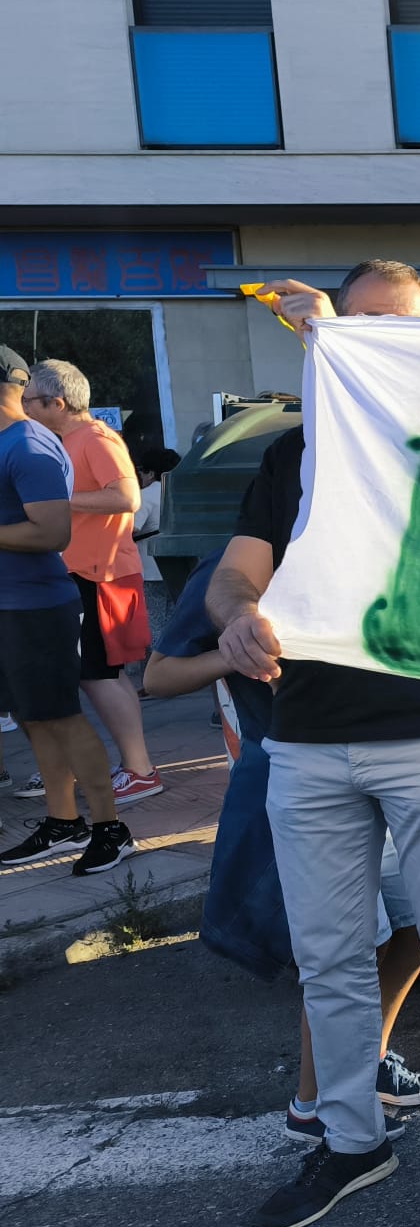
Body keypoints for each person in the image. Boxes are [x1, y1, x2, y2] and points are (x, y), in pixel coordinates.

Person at [211, 260, 420, 1227]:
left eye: (399, 334)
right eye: (358, 332)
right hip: (306, 736)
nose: (375, 348)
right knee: (329, 956)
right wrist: (236, 619)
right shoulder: (291, 457)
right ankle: (350, 1141)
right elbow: (233, 580)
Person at [145, 552, 420, 1145]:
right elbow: (157, 677)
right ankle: (315, 1103)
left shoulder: (366, 537)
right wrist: (232, 650)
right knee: (344, 949)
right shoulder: (229, 569)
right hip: (298, 776)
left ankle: (366, 1063)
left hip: (387, 767)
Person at [0, 346, 132, 874]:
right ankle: (62, 821)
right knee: (34, 718)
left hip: (36, 608)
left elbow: (52, 531)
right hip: (10, 606)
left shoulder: (28, 445)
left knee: (62, 717)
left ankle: (110, 827)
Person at [17, 360, 162, 805]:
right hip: (80, 573)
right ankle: (81, 766)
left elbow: (127, 497)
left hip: (100, 575)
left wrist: (58, 500)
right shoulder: (66, 439)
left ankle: (140, 771)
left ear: (55, 403)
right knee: (87, 674)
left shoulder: (95, 437)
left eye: (27, 401)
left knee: (100, 675)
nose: (19, 408)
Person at [131, 444, 181, 666]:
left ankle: (163, 669)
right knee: (175, 619)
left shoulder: (146, 495)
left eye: (141, 471)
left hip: (151, 568)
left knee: (156, 620)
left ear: (150, 472)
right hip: (179, 565)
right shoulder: (179, 491)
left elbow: (131, 527)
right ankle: (179, 663)